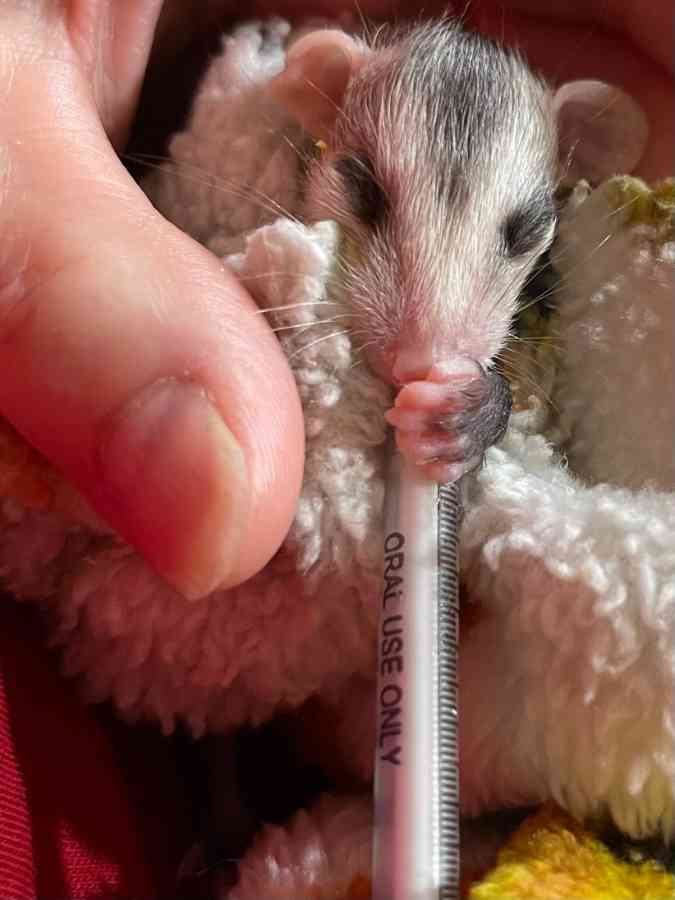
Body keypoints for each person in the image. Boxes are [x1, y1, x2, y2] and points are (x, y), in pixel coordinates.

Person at [0, 2, 671, 898]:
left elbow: (536, 430)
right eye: (370, 199)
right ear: (323, 92)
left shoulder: (545, 299)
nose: (432, 343)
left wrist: (486, 414)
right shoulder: (271, 203)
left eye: (515, 236)